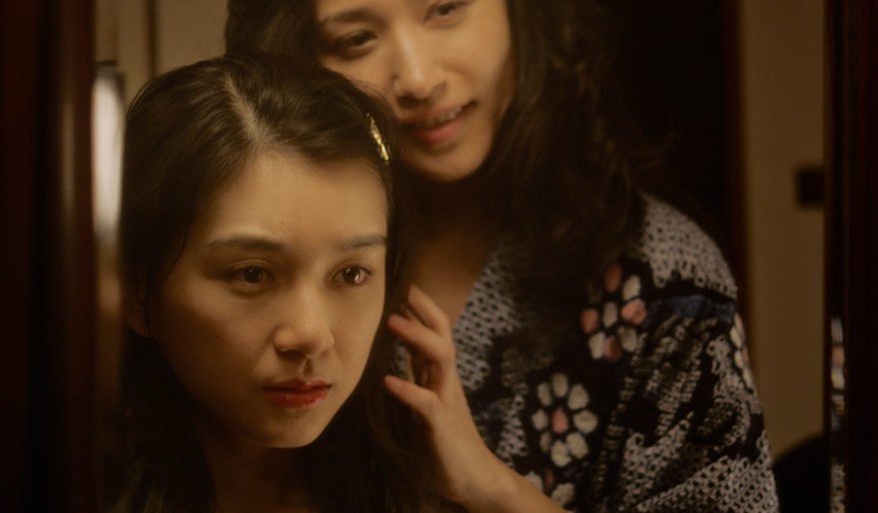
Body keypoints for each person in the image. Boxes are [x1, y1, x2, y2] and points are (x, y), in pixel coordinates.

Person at [225, 1, 780, 513]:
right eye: (357, 40)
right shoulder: (243, 252)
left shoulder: (662, 271)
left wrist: (492, 487)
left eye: (445, 9)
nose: (417, 79)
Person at [114, 53, 438, 513]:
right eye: (252, 274)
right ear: (136, 294)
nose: (311, 335)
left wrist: (489, 488)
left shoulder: (419, 486)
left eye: (351, 273)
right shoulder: (62, 485)